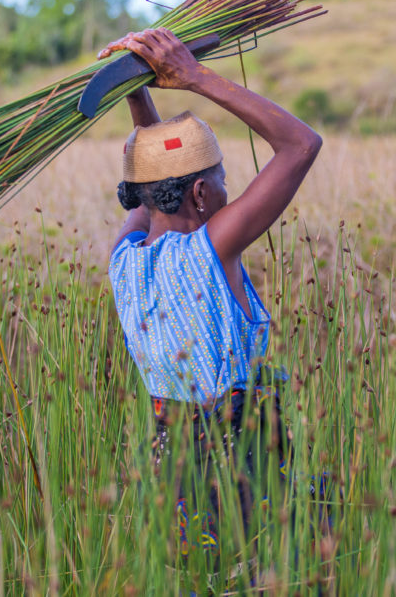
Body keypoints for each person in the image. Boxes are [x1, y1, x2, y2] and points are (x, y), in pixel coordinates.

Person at [102, 28, 322, 551]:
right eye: (222, 178)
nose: (229, 189)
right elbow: (301, 145)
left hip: (172, 480)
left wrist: (136, 88)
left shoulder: (124, 258)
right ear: (201, 193)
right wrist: (195, 78)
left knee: (197, 578)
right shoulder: (212, 248)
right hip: (242, 475)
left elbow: (153, 182)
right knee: (260, 574)